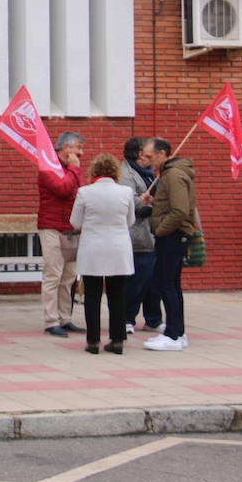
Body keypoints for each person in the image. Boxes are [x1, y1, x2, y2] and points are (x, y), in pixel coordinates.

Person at [70, 154, 135, 355]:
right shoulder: (126, 192)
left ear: (94, 171)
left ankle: (93, 341)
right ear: (116, 172)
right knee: (118, 296)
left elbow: (75, 222)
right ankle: (117, 341)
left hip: (93, 249)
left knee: (92, 296)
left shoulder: (84, 192)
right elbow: (130, 221)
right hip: (118, 248)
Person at [140, 137, 195, 351]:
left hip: (173, 235)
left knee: (166, 283)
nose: (145, 159)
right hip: (174, 234)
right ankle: (177, 332)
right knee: (170, 283)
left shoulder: (173, 175)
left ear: (162, 153)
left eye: (149, 155)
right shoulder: (169, 174)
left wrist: (161, 229)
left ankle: (173, 335)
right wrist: (155, 203)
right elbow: (172, 205)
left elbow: (180, 211)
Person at [39, 131, 86, 337]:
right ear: (67, 148)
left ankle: (65, 317)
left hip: (71, 230)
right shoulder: (48, 167)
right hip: (52, 228)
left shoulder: (73, 170)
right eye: (78, 148)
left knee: (69, 276)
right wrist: (74, 169)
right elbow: (63, 189)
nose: (81, 153)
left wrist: (75, 170)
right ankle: (51, 320)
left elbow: (82, 191)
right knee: (53, 275)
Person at [118, 137, 162, 333]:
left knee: (154, 280)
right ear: (137, 155)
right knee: (137, 280)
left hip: (153, 234)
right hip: (137, 235)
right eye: (146, 154)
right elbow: (131, 203)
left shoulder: (152, 173)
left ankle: (154, 319)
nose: (150, 158)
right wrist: (149, 204)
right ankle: (127, 318)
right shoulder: (126, 174)